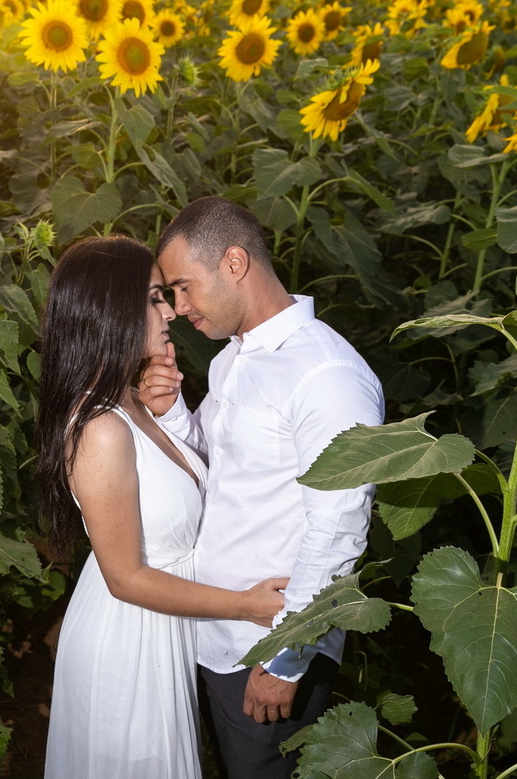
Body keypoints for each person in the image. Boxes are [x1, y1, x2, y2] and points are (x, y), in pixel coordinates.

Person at [138, 197, 385, 779]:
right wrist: (173, 414)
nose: (177, 308)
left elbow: (339, 529)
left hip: (266, 649)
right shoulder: (232, 358)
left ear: (234, 262)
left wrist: (286, 660)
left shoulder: (327, 375)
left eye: (184, 287)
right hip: (211, 631)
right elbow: (219, 468)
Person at [36, 235, 289, 779]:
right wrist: (245, 606)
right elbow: (126, 578)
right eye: (155, 297)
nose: (171, 311)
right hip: (127, 640)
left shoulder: (130, 401)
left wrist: (171, 412)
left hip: (161, 630)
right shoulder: (100, 428)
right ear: (112, 310)